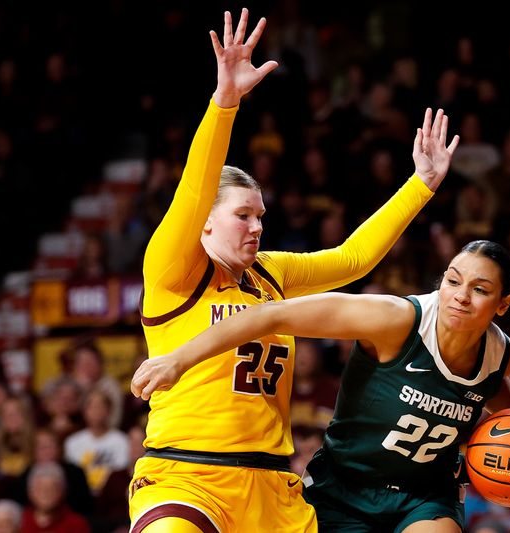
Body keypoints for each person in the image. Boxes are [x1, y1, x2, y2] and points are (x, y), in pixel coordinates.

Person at [128, 8, 460, 533]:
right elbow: (195, 187)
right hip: (186, 477)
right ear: (205, 225)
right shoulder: (173, 270)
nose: (257, 227)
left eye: (261, 215)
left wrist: (420, 185)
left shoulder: (270, 273)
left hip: (273, 488)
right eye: (243, 215)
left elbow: (352, 260)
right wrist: (225, 104)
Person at [133, 240, 510, 532]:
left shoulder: (501, 357)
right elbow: (270, 316)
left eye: (479, 289)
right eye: (452, 280)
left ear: (502, 304)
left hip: (426, 493)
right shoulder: (392, 320)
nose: (460, 296)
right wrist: (178, 358)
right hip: (346, 487)